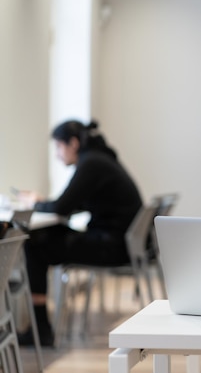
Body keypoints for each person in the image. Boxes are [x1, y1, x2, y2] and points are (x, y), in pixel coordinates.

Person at [18, 120, 143, 346]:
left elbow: (61, 207)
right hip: (121, 243)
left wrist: (34, 203)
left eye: (58, 147)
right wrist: (47, 204)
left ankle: (40, 330)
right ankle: (39, 327)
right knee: (42, 237)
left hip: (111, 247)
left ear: (73, 143)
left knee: (34, 243)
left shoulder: (91, 163)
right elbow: (74, 204)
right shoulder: (100, 159)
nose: (57, 154)